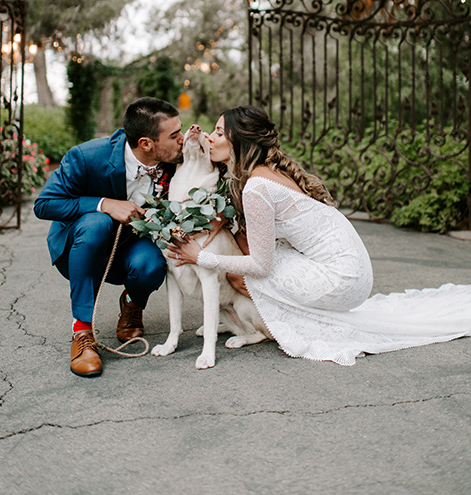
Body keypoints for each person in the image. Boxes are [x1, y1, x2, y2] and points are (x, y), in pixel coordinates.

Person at [167, 105, 471, 366]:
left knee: (240, 274)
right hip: (350, 265)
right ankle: (258, 318)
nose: (209, 136)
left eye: (219, 132)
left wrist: (201, 256)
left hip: (342, 277)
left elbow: (260, 265)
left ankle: (280, 324)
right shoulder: (262, 172)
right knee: (242, 261)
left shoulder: (256, 187)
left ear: (238, 140)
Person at [34, 97, 184, 378]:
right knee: (96, 223)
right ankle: (82, 333)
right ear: (146, 144)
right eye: (174, 135)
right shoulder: (88, 156)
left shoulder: (174, 159)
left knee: (151, 265)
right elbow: (44, 204)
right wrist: (105, 203)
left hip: (132, 248)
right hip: (81, 249)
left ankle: (132, 304)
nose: (182, 140)